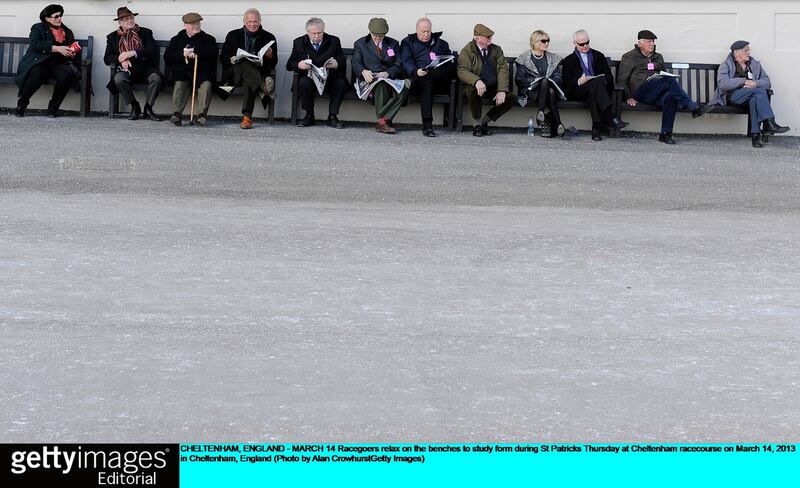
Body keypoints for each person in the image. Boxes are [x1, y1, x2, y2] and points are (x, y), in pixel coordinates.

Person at [618, 30, 710, 144]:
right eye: (649, 41)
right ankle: (693, 107)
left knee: (671, 97)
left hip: (656, 91)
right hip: (640, 92)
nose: (652, 44)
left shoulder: (658, 57)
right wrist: (628, 96)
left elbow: (664, 74)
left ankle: (665, 134)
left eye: (653, 41)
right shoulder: (629, 57)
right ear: (640, 43)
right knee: (668, 80)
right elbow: (622, 79)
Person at [709, 40, 790, 148]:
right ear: (736, 52)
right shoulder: (726, 65)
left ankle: (755, 137)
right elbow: (723, 84)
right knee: (760, 91)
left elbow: (767, 82)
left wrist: (755, 83)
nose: (749, 53)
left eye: (749, 50)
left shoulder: (754, 64)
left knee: (755, 99)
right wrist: (743, 81)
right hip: (733, 96)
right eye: (745, 50)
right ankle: (769, 123)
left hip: (751, 95)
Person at [15, 4, 81, 117]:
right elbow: (35, 44)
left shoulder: (66, 31)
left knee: (66, 77)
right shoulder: (38, 28)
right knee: (36, 74)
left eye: (60, 16)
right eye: (56, 16)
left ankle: (53, 109)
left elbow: (70, 49)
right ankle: (22, 103)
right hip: (40, 62)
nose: (60, 18)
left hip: (57, 64)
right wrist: (56, 48)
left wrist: (71, 52)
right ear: (47, 18)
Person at [561, 29, 627, 141]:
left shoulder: (599, 56)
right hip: (579, 91)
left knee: (594, 86)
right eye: (581, 44)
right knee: (594, 84)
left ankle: (596, 127)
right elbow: (566, 82)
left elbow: (609, 77)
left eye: (587, 42)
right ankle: (610, 117)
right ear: (575, 44)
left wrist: (602, 80)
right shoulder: (569, 60)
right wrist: (578, 81)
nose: (585, 46)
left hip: (597, 92)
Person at [220, 8, 277, 130]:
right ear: (244, 21)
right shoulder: (233, 35)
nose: (252, 24)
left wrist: (270, 56)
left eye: (255, 21)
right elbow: (223, 57)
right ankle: (264, 87)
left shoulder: (269, 37)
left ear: (260, 21)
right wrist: (232, 59)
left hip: (253, 77)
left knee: (248, 79)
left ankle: (246, 118)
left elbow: (273, 63)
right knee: (245, 63)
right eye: (249, 21)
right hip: (235, 76)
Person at [286, 17, 348, 129]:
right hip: (310, 78)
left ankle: (332, 117)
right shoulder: (299, 42)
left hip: (329, 78)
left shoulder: (334, 41)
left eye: (320, 33)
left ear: (323, 31)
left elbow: (342, 62)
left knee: (340, 83)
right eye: (313, 33)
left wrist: (336, 63)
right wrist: (299, 65)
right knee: (304, 82)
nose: (316, 36)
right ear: (307, 32)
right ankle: (309, 115)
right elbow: (290, 64)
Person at [104, 6, 163, 121]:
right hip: (127, 70)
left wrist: (132, 53)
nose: (130, 21)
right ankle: (135, 106)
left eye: (131, 18)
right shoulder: (112, 37)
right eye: (126, 19)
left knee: (156, 78)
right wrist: (122, 58)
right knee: (119, 79)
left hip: (145, 69)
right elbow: (107, 58)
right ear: (120, 22)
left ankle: (148, 108)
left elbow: (152, 50)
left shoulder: (145, 32)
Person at [457, 24, 517, 136]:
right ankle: (477, 125)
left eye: (490, 37)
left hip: (493, 87)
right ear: (477, 38)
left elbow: (502, 69)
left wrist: (501, 90)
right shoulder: (467, 50)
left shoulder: (496, 50)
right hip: (475, 86)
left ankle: (484, 122)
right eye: (487, 37)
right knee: (472, 91)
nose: (490, 39)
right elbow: (462, 70)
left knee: (511, 98)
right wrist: (476, 81)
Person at [400, 18, 456, 137]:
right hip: (418, 81)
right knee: (427, 81)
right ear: (416, 30)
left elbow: (449, 58)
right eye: (423, 31)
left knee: (453, 65)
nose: (426, 34)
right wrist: (416, 71)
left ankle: (450, 120)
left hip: (439, 80)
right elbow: (406, 61)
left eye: (428, 31)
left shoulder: (441, 43)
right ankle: (427, 124)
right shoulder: (408, 42)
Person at [352, 18, 409, 134]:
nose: (378, 38)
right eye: (375, 35)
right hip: (370, 79)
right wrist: (363, 71)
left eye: (381, 36)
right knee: (381, 85)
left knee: (405, 87)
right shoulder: (360, 43)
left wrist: (388, 72)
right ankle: (384, 123)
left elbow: (398, 64)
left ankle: (382, 121)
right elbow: (356, 62)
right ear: (370, 32)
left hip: (389, 77)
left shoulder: (393, 44)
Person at [164, 12, 218, 126]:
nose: (196, 26)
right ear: (185, 25)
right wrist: (183, 54)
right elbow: (168, 57)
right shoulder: (177, 39)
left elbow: (213, 54)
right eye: (193, 24)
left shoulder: (208, 39)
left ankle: (201, 115)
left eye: (198, 23)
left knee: (206, 85)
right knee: (180, 83)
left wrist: (195, 50)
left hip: (201, 72)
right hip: (183, 72)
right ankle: (177, 114)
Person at [515, 30, 566, 138]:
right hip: (531, 91)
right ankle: (558, 124)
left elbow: (558, 77)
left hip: (549, 90)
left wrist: (549, 81)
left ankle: (541, 112)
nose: (547, 43)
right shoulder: (524, 58)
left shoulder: (553, 58)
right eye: (544, 41)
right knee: (544, 82)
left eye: (548, 41)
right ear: (535, 41)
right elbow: (519, 79)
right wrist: (534, 80)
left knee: (549, 87)